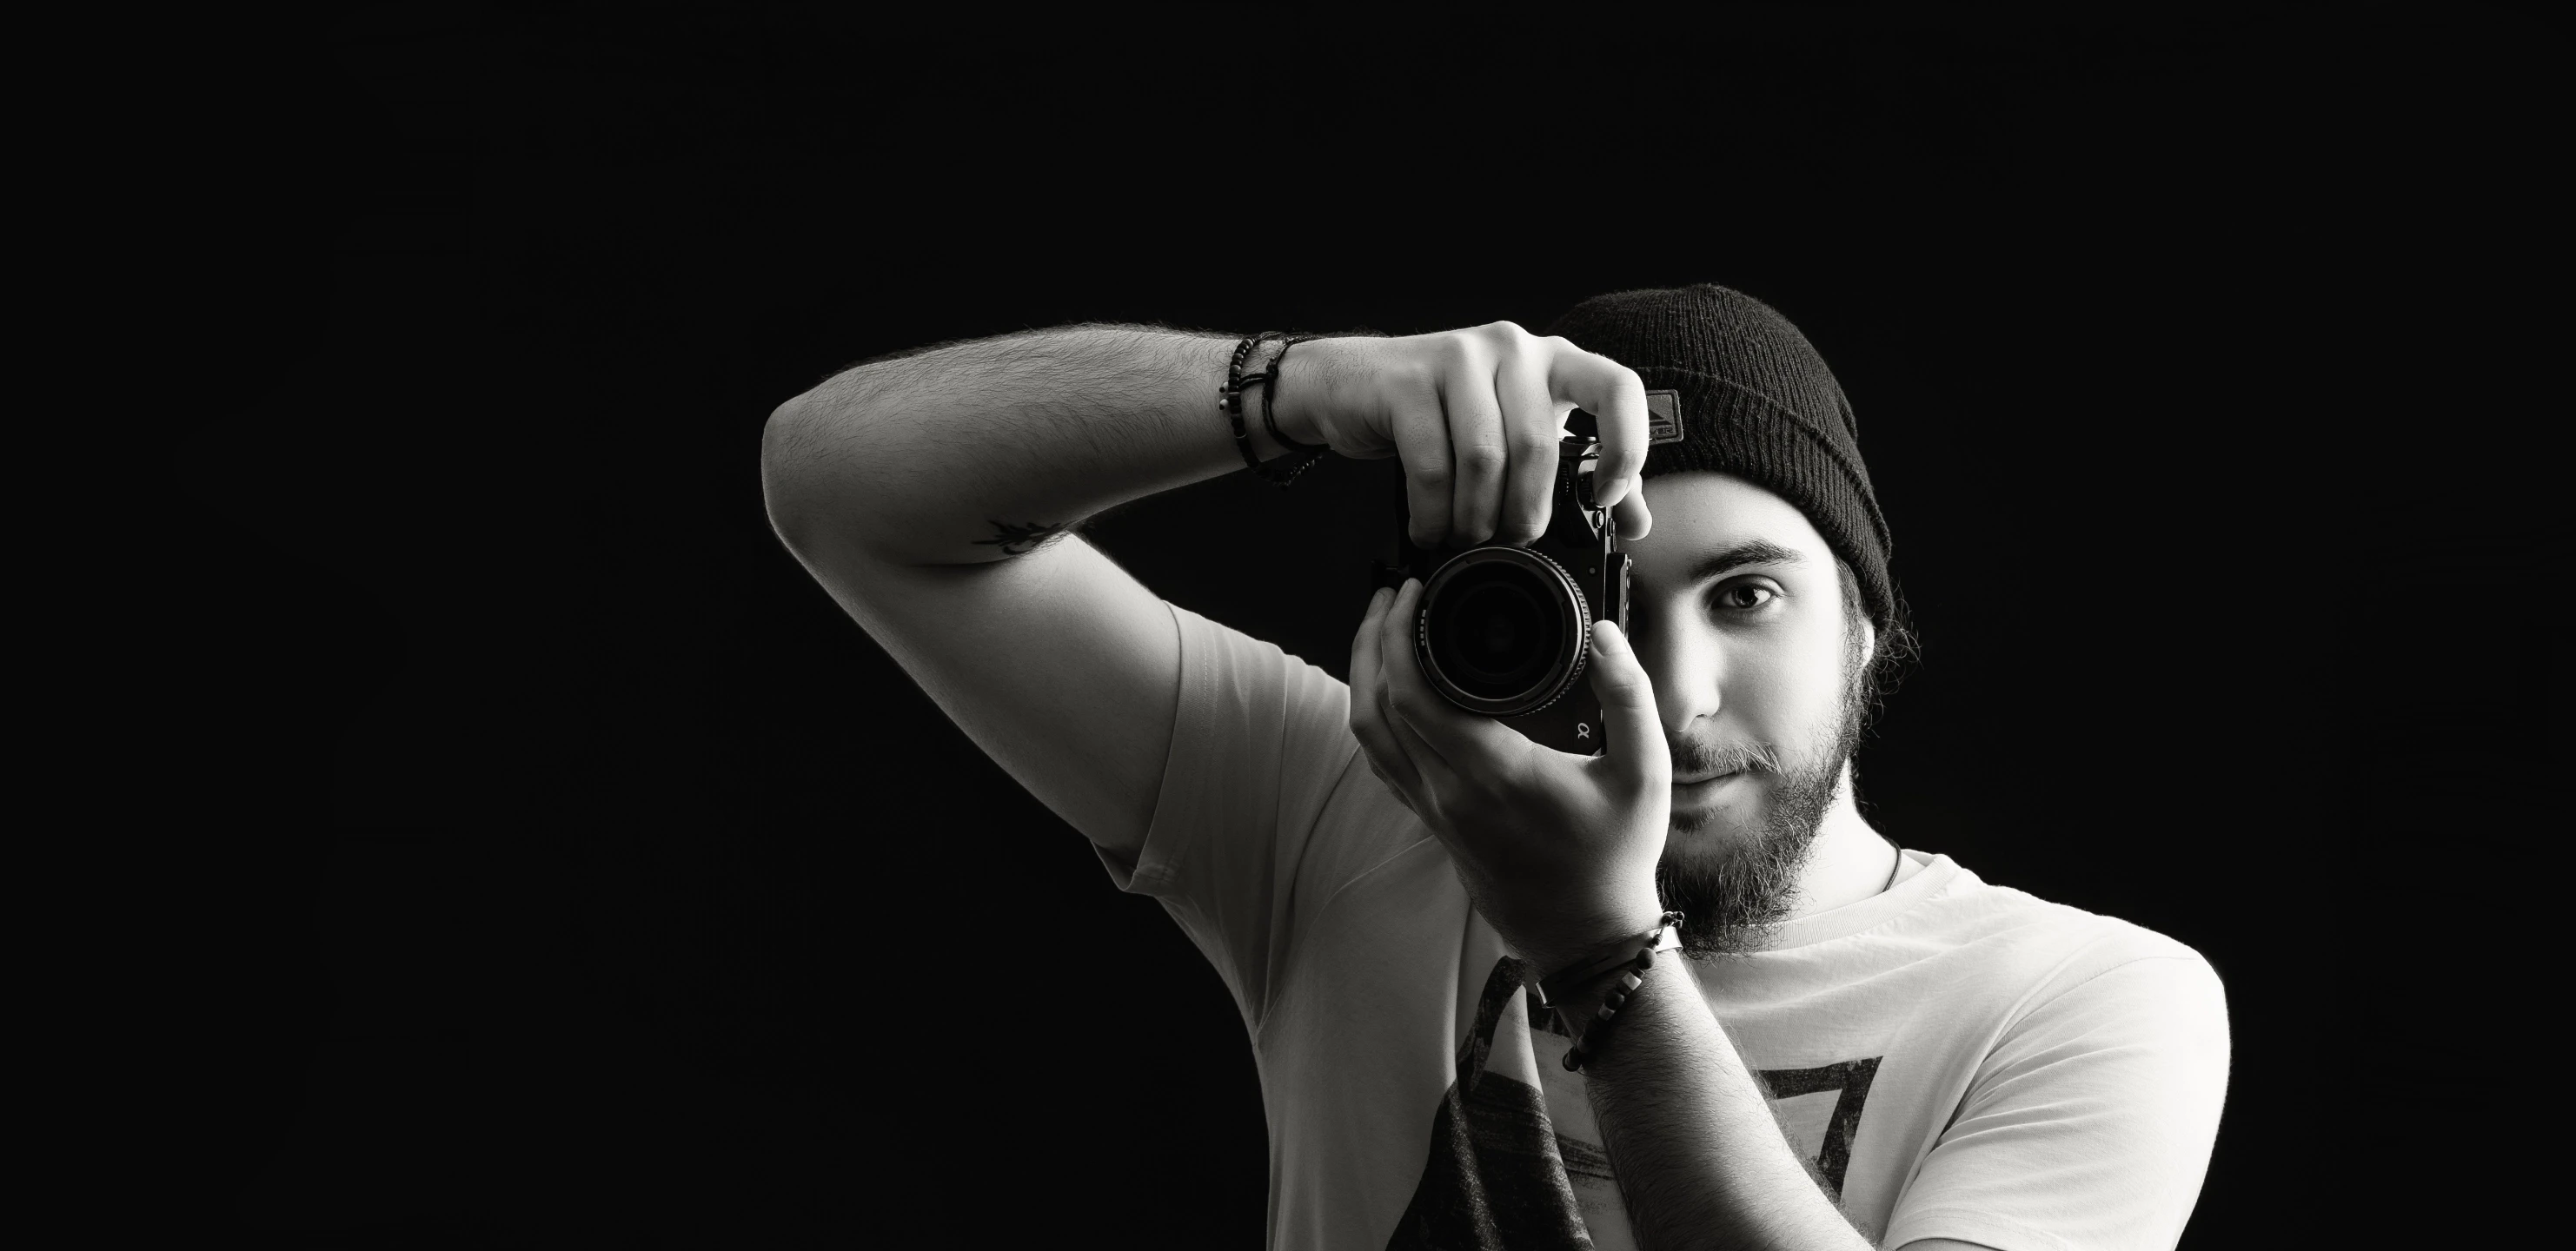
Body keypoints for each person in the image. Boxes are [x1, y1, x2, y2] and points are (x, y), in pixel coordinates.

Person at [759, 284, 2230, 1250]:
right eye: (1618, 607)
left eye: (1752, 593)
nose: (1680, 686)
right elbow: (841, 486)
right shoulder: (1349, 808)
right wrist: (1302, 388)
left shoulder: (2081, 998)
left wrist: (1601, 955)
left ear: (1866, 629)